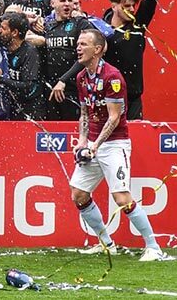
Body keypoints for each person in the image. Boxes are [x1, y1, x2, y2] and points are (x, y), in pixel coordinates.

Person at [70, 29, 168, 262]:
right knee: (79, 194)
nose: (79, 47)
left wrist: (94, 146)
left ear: (98, 49)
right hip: (93, 142)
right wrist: (83, 141)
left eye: (84, 44)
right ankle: (107, 243)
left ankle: (154, 247)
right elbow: (84, 112)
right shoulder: (81, 77)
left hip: (115, 144)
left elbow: (115, 118)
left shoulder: (113, 78)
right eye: (78, 44)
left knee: (122, 198)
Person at [103, 0, 158, 119]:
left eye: (133, 5)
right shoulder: (100, 28)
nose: (132, 9)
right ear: (114, 6)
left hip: (133, 99)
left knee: (134, 141)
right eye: (127, 6)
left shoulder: (138, 25)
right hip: (107, 97)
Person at [0, 12, 44, 120]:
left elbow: (28, 86)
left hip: (30, 111)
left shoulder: (30, 52)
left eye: (3, 28)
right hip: (11, 107)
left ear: (14, 32)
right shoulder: (3, 46)